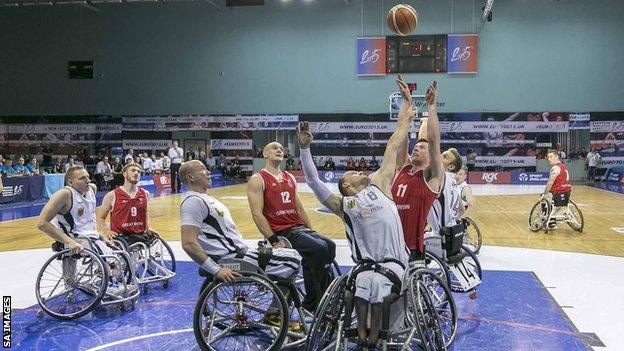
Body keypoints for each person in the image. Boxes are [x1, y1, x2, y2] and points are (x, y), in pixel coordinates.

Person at [295, 76, 412, 349]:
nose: (361, 172)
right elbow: (313, 181)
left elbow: (394, 143)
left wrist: (407, 106)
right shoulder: (343, 205)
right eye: (354, 173)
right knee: (362, 286)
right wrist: (304, 148)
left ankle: (374, 335)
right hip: (365, 265)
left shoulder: (382, 183)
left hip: (394, 263)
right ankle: (363, 334)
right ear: (346, 186)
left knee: (380, 287)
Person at [179, 160, 302, 328]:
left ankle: (277, 309)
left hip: (238, 253)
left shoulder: (205, 198)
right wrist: (216, 270)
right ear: (190, 177)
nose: (208, 172)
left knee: (289, 252)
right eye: (202, 170)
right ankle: (274, 314)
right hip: (231, 260)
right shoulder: (193, 201)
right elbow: (188, 243)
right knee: (292, 259)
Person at [247, 141, 335, 313]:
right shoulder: (258, 180)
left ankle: (320, 298)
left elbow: (299, 209)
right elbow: (257, 214)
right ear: (264, 153)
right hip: (282, 233)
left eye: (281, 148)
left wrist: (312, 230)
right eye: (274, 147)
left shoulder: (290, 177)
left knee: (328, 245)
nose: (279, 150)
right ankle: (314, 305)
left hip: (298, 228)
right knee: (318, 249)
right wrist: (273, 240)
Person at [36, 166, 128, 295]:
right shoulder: (64, 194)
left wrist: (101, 233)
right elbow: (41, 223)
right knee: (104, 256)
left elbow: (89, 217)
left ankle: (108, 278)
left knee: (119, 253)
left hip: (90, 236)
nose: (87, 180)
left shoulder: (92, 189)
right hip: (73, 238)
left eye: (88, 177)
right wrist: (68, 242)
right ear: (70, 182)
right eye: (82, 178)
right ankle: (107, 281)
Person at [391, 80, 447, 260]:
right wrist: (406, 102)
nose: (416, 148)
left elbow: (433, 140)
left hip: (411, 247)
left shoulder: (431, 176)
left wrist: (431, 106)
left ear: (431, 157)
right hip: (387, 243)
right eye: (416, 146)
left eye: (422, 148)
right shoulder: (403, 168)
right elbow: (400, 133)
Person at [96, 163, 160, 247]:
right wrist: (106, 231)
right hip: (121, 237)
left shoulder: (145, 193)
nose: (136, 173)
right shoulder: (112, 195)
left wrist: (148, 227)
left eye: (139, 172)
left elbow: (146, 213)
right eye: (133, 170)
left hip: (139, 235)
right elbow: (100, 218)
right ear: (125, 174)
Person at [542, 149, 572, 228]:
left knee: (544, 199)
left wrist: (544, 194)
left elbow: (550, 183)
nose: (549, 159)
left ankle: (548, 221)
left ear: (556, 157)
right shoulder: (563, 166)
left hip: (557, 194)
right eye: (548, 157)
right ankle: (554, 218)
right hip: (567, 192)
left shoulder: (555, 168)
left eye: (551, 157)